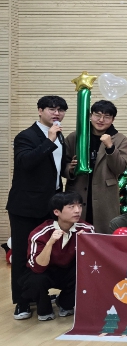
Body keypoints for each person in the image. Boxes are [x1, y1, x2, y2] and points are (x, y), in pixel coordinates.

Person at [7, 96, 68, 317]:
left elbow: (56, 169)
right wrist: (49, 141)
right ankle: (22, 301)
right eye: (51, 109)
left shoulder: (59, 136)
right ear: (40, 110)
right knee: (22, 254)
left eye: (61, 110)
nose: (57, 113)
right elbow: (26, 163)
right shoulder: (26, 136)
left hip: (50, 206)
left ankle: (37, 294)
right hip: (25, 207)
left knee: (45, 252)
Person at [16, 192, 94, 321]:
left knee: (86, 273)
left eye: (80, 206)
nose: (77, 210)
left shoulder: (86, 229)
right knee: (35, 281)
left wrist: (86, 243)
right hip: (45, 272)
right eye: (71, 207)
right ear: (57, 212)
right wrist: (50, 242)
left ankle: (64, 302)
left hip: (69, 271)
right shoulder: (40, 232)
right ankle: (44, 307)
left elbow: (93, 262)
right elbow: (38, 268)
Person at [63, 100, 127, 233]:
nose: (101, 120)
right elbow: (62, 163)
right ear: (90, 115)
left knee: (103, 234)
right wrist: (69, 168)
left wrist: (110, 147)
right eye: (97, 115)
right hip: (77, 190)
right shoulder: (76, 136)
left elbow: (120, 168)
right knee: (75, 232)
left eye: (107, 117)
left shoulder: (120, 139)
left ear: (113, 119)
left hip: (105, 194)